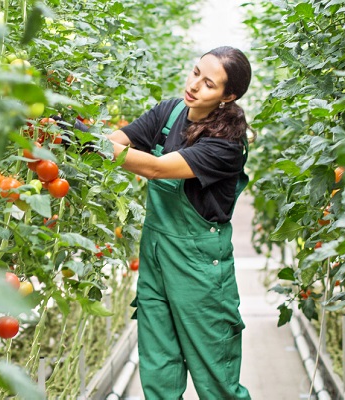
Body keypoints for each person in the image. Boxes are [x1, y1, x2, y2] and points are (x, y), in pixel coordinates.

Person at [106, 46, 253, 400]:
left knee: (215, 376)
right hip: (156, 257)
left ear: (227, 96)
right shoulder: (169, 113)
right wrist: (71, 132)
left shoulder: (226, 144)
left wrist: (88, 140)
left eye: (209, 84)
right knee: (158, 368)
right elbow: (117, 140)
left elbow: (155, 168)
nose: (195, 86)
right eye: (195, 73)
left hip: (199, 267)